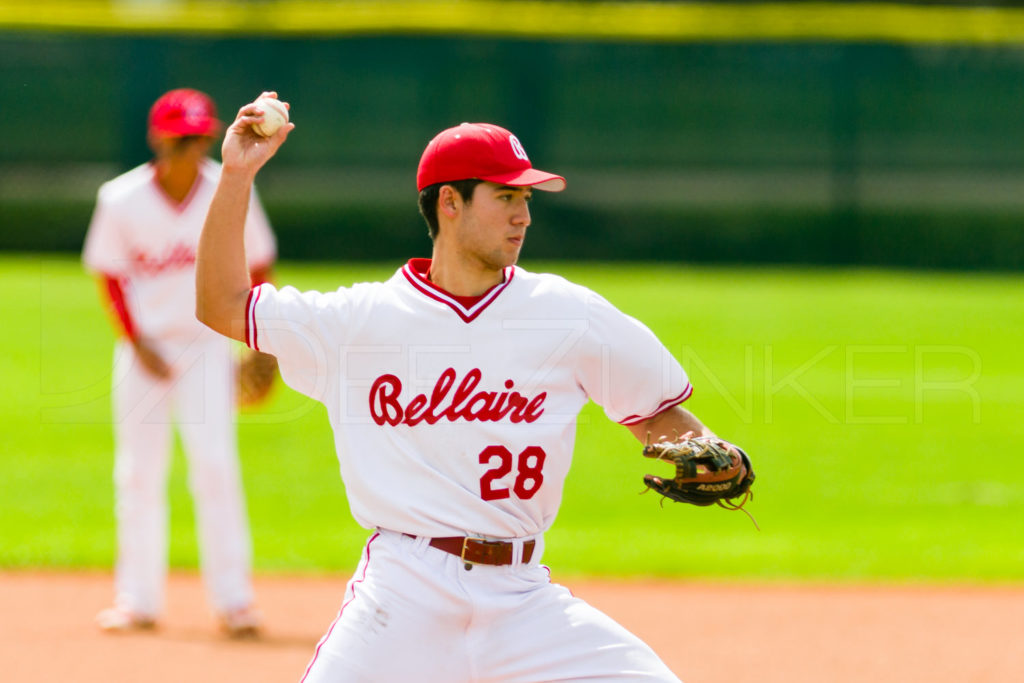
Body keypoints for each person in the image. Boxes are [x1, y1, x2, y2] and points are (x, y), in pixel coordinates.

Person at [197, 92, 743, 681]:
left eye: (526, 197)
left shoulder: (566, 313)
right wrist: (237, 173)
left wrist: (715, 452)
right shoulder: (359, 320)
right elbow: (222, 304)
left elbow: (658, 419)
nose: (524, 215)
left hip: (524, 600)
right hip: (402, 595)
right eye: (506, 195)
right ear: (449, 202)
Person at [82, 88, 276, 637]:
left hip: (208, 346)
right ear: (157, 137)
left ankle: (235, 601)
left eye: (198, 138)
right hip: (144, 352)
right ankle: (137, 600)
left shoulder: (229, 189)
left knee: (215, 467)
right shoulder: (120, 199)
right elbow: (111, 273)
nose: (191, 147)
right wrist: (135, 338)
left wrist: (259, 346)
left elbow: (258, 266)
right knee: (138, 474)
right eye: (180, 137)